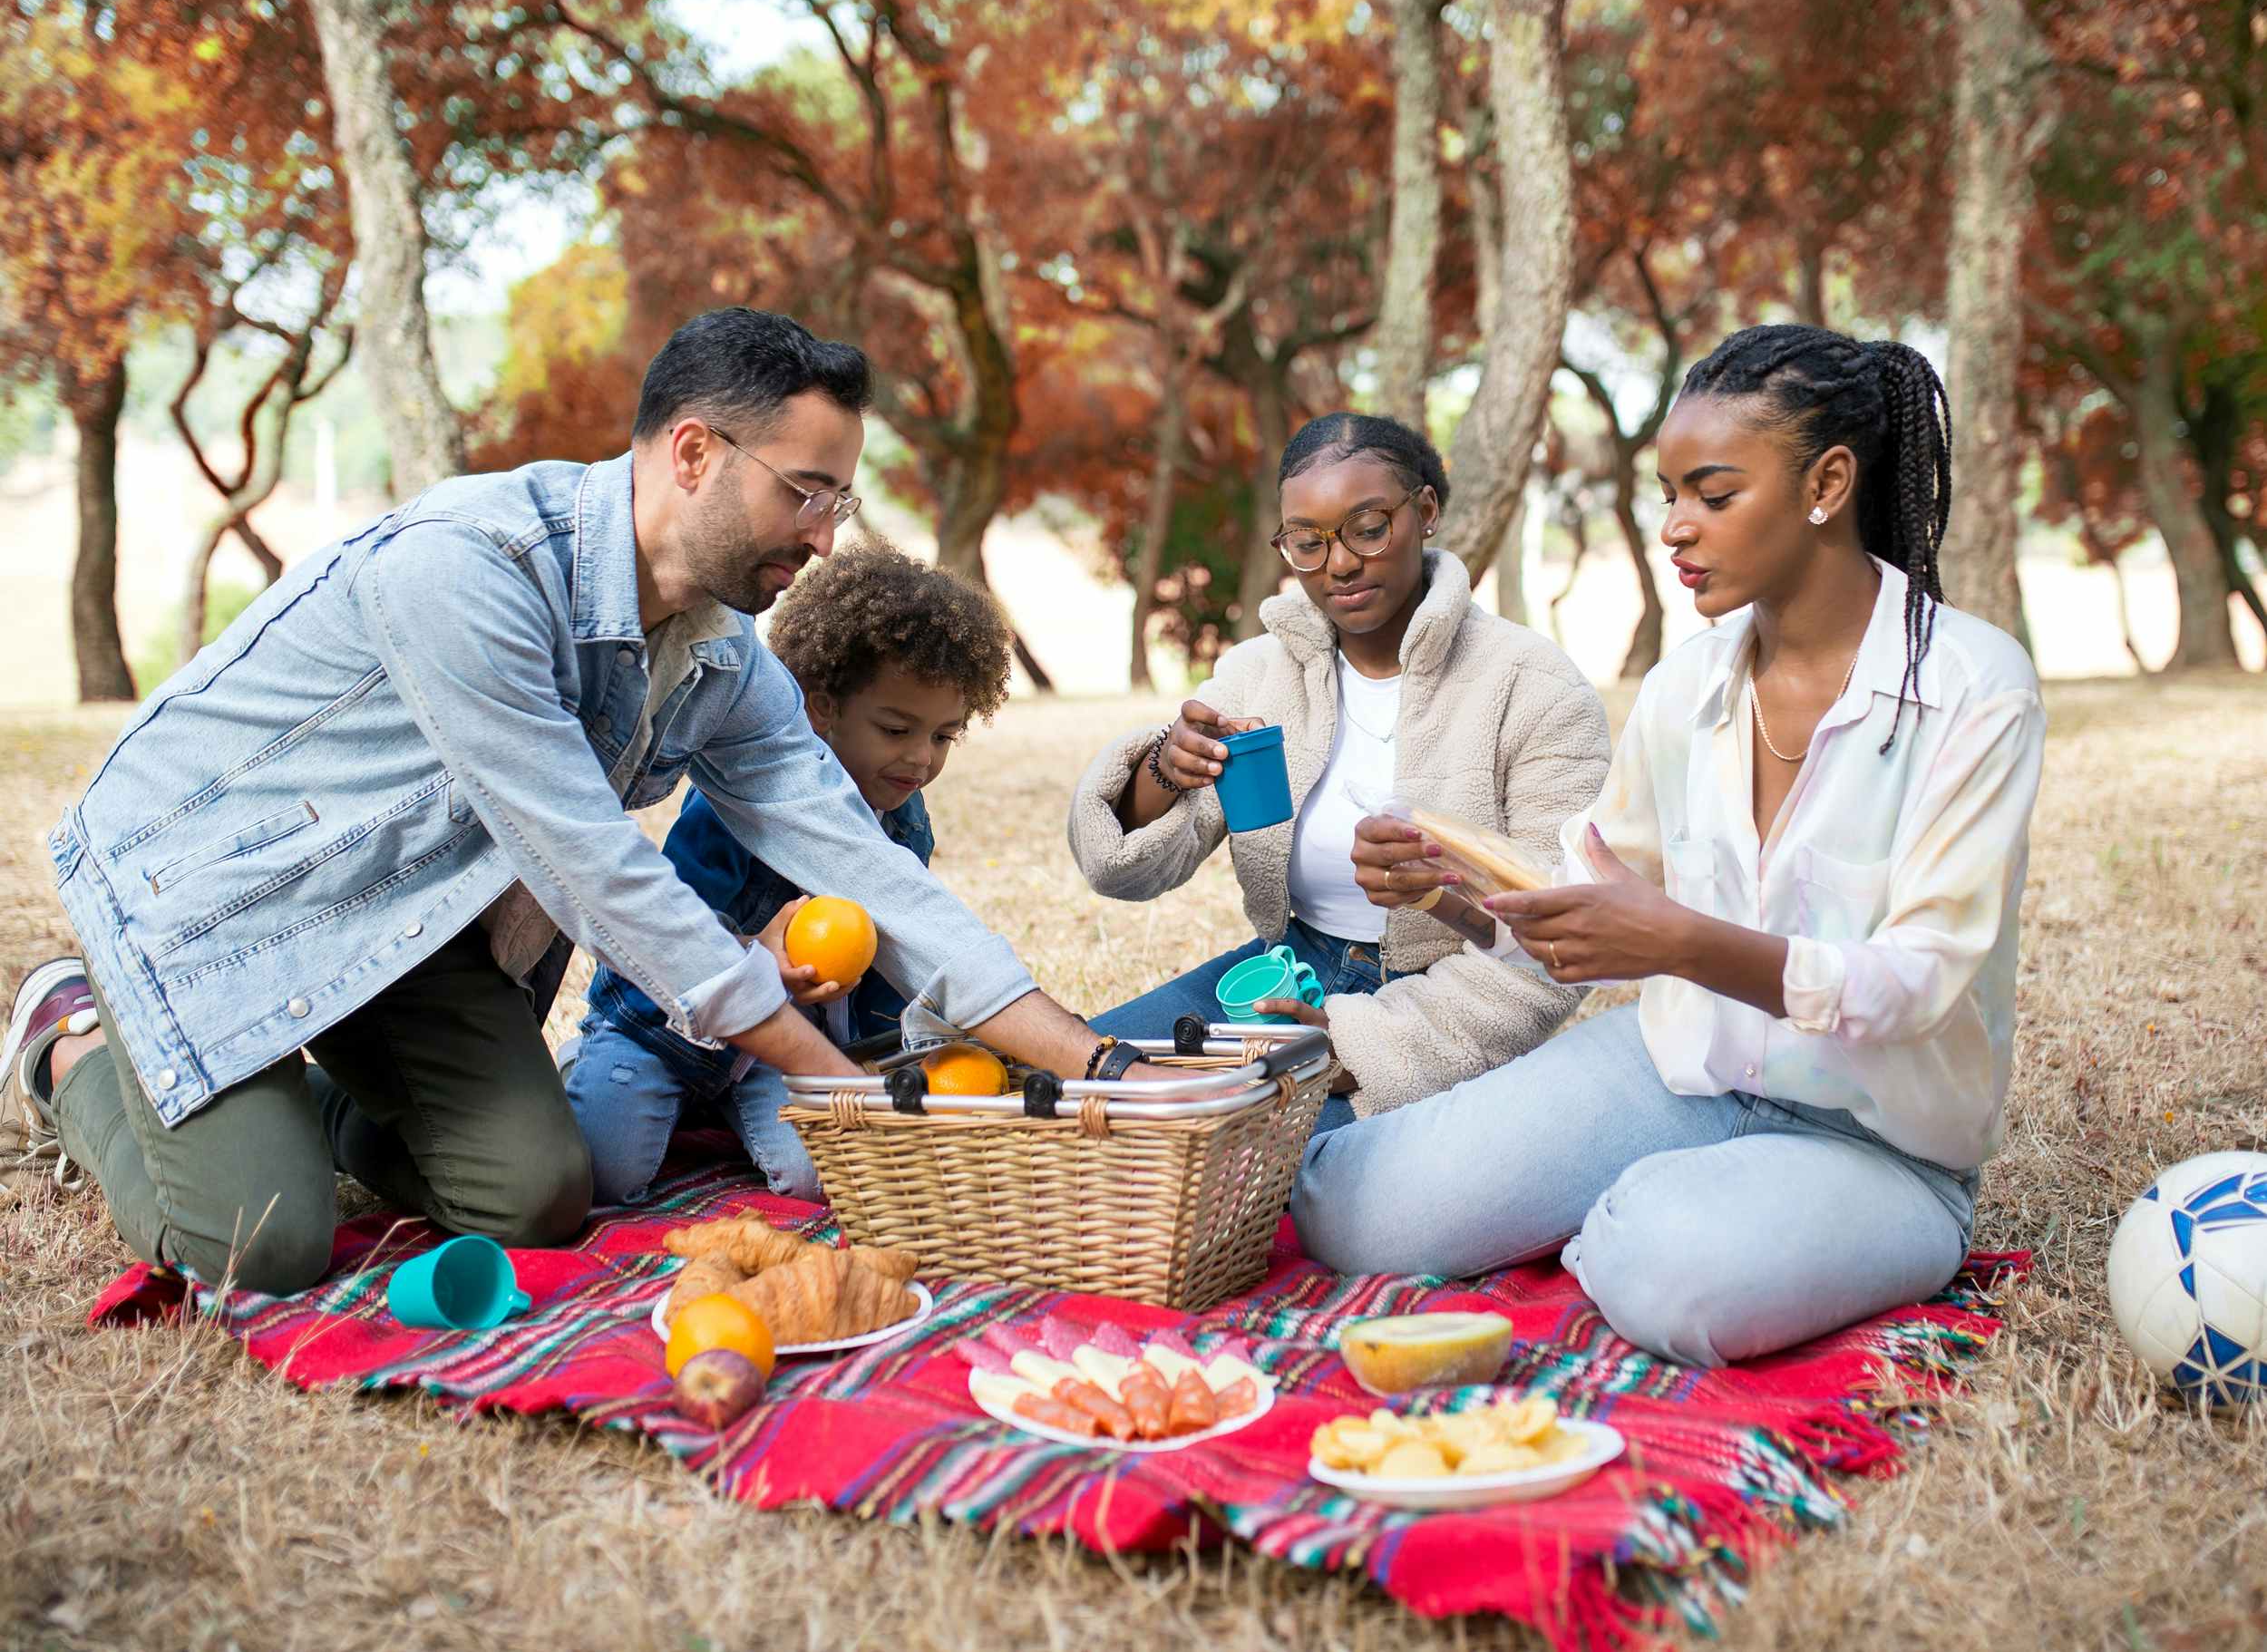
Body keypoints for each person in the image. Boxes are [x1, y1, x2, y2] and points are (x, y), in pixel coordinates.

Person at [1, 307, 1154, 1295]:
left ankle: (290, 1098)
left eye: (839, 503)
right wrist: (840, 1089)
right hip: (220, 896)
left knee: (538, 1193)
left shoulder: (724, 655)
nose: (822, 535)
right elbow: (598, 870)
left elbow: (863, 865)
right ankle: (69, 1043)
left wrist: (1098, 1065)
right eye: (806, 493)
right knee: (262, 1239)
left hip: (410, 922)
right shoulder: (469, 568)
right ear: (694, 452)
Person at [1291, 326, 2047, 1367]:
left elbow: (1914, 985)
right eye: (1668, 496)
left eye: (1713, 494)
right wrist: (1449, 896)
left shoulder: (1973, 688)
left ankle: (1658, 1216)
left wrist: (1683, 944)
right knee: (1352, 1215)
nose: (1675, 529)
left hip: (1879, 1146)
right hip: (1675, 1070)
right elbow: (1589, 902)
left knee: (1666, 1276)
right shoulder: (1688, 685)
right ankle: (1622, 1197)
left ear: (1827, 482)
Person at [1067, 413, 1611, 1132]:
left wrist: (1356, 1047)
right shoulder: (1260, 674)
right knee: (1074, 1092)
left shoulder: (1534, 687)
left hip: (1434, 1003)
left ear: (1424, 512)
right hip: (1277, 978)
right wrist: (1165, 770)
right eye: (1308, 542)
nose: (1340, 563)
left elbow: (1555, 949)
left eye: (1367, 527)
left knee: (1242, 1168)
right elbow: (1124, 873)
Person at [564, 536, 1012, 1204]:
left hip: (779, 1049)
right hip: (660, 1033)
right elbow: (663, 933)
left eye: (943, 735)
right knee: (605, 1176)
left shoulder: (905, 823)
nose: (921, 758)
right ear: (820, 707)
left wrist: (909, 1056)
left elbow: (893, 950)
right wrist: (749, 952)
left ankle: (724, 1111)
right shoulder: (736, 809)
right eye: (896, 729)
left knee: (818, 1178)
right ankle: (586, 1066)